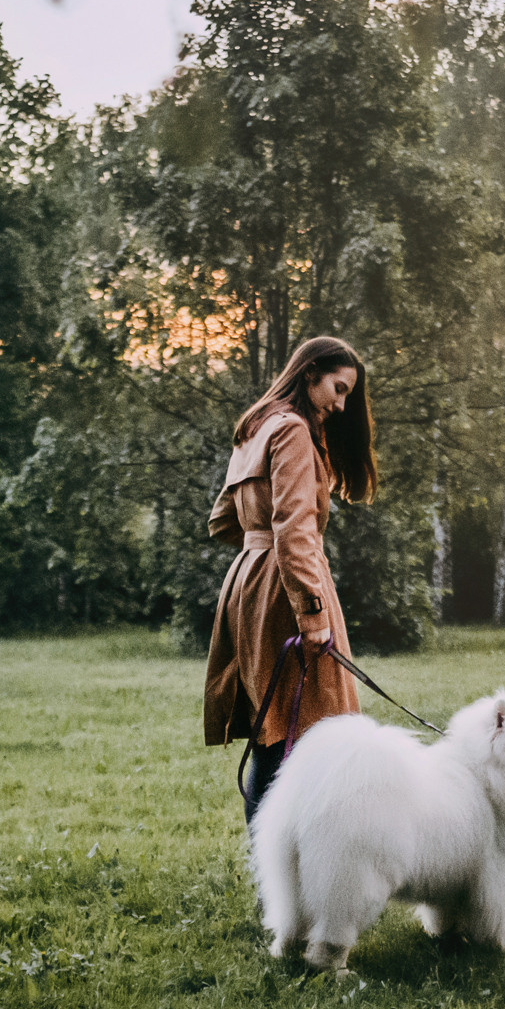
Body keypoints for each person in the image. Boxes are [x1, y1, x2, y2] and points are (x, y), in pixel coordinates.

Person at [203, 337, 377, 821]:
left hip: (248, 584)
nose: (341, 405)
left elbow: (221, 522)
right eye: (337, 389)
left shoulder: (254, 429)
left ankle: (274, 878)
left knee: (272, 731)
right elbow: (295, 528)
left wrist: (258, 546)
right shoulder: (295, 430)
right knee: (305, 734)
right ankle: (290, 876)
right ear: (309, 374)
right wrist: (313, 613)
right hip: (287, 590)